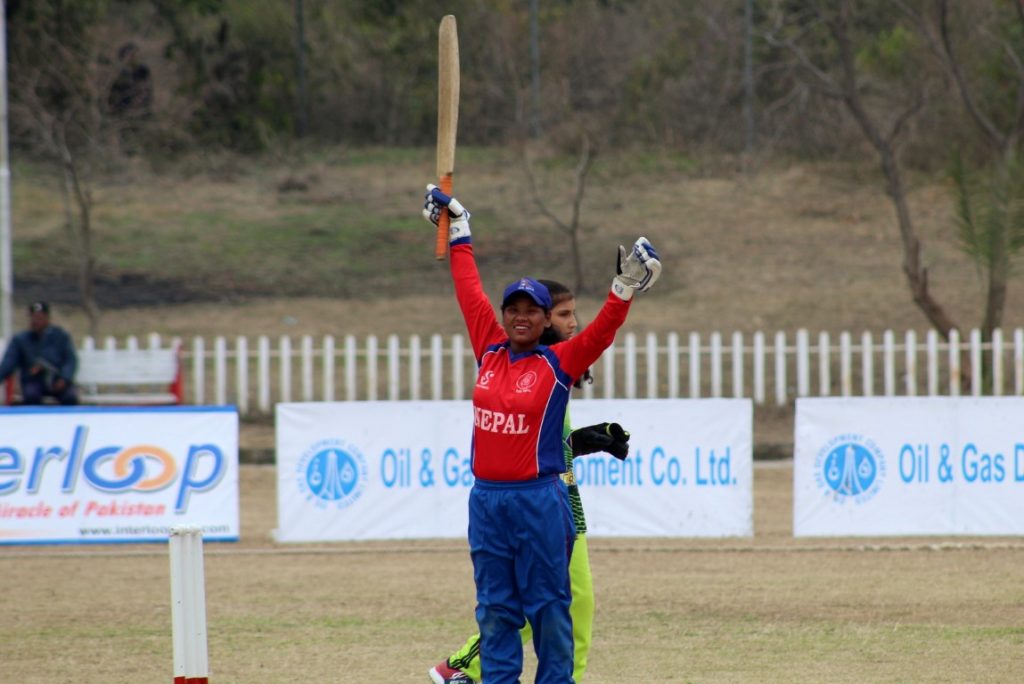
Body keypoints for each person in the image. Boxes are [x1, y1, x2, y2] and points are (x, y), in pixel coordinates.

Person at [422, 184, 661, 683]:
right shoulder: (488, 348)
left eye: (532, 311)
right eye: (514, 310)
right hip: (487, 501)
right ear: (505, 316)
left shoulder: (558, 362)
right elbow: (469, 292)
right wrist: (460, 229)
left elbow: (600, 335)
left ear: (542, 320)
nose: (521, 317)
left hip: (539, 500)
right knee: (496, 612)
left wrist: (622, 291)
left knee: (552, 611)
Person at [429, 279, 631, 684]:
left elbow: (546, 442)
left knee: (566, 603)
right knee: (542, 604)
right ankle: (462, 666)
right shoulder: (532, 361)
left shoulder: (556, 367)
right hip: (532, 500)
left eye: (574, 313)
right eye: (564, 314)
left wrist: (582, 442)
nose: (573, 322)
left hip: (557, 497)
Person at [0, 301, 79, 405]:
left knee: (69, 397)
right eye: (33, 317)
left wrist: (64, 378)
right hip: (34, 381)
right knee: (31, 395)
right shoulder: (21, 340)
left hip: (57, 380)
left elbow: (71, 359)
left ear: (47, 318)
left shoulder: (60, 336)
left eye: (39, 318)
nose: (35, 321)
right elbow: (8, 363)